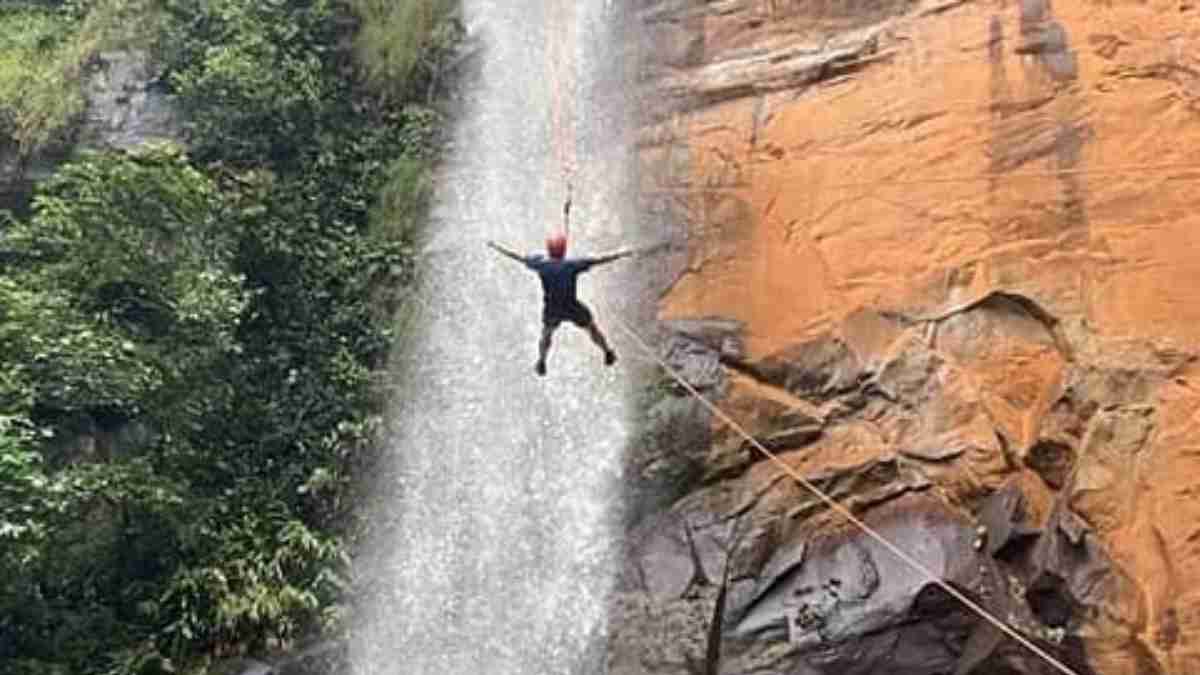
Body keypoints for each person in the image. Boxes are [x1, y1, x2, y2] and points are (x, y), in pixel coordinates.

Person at [487, 234, 632, 376]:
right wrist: (621, 254)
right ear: (563, 250)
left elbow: (517, 256)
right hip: (571, 306)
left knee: (546, 334)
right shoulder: (571, 265)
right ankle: (607, 351)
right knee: (591, 328)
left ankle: (542, 361)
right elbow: (598, 260)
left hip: (552, 308)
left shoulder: (541, 264)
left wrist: (497, 247)